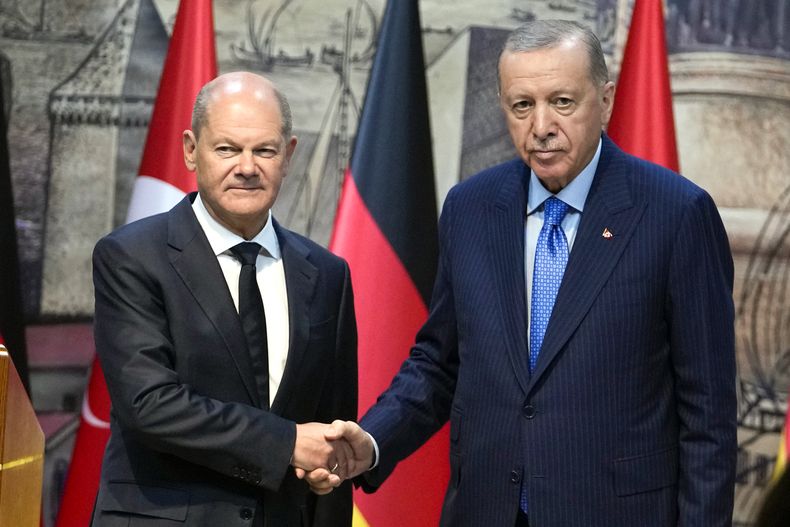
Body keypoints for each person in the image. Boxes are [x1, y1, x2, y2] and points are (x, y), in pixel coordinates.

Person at [307, 19, 737, 526]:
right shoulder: (470, 208)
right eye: (522, 106)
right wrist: (374, 440)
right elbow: (439, 364)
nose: (541, 126)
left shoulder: (676, 213)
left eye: (562, 102)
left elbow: (707, 415)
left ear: (606, 100)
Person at [91, 72, 358, 526]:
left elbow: (330, 434)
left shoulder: (328, 274)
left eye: (265, 150)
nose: (248, 167)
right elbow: (150, 405)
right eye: (228, 149)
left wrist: (324, 465)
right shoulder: (131, 257)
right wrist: (286, 443)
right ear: (192, 150)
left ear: (289, 155)